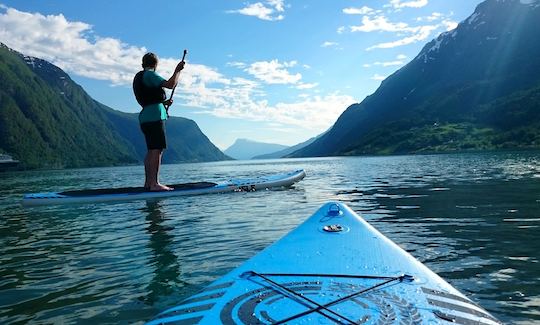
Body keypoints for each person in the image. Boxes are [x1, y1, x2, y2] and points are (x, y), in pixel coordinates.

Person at [133, 52, 185, 191]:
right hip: (154, 116)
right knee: (157, 149)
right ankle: (155, 184)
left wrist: (164, 102)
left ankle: (148, 183)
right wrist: (177, 70)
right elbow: (170, 84)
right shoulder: (149, 74)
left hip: (145, 116)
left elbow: (150, 98)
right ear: (155, 64)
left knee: (151, 150)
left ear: (143, 63)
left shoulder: (140, 76)